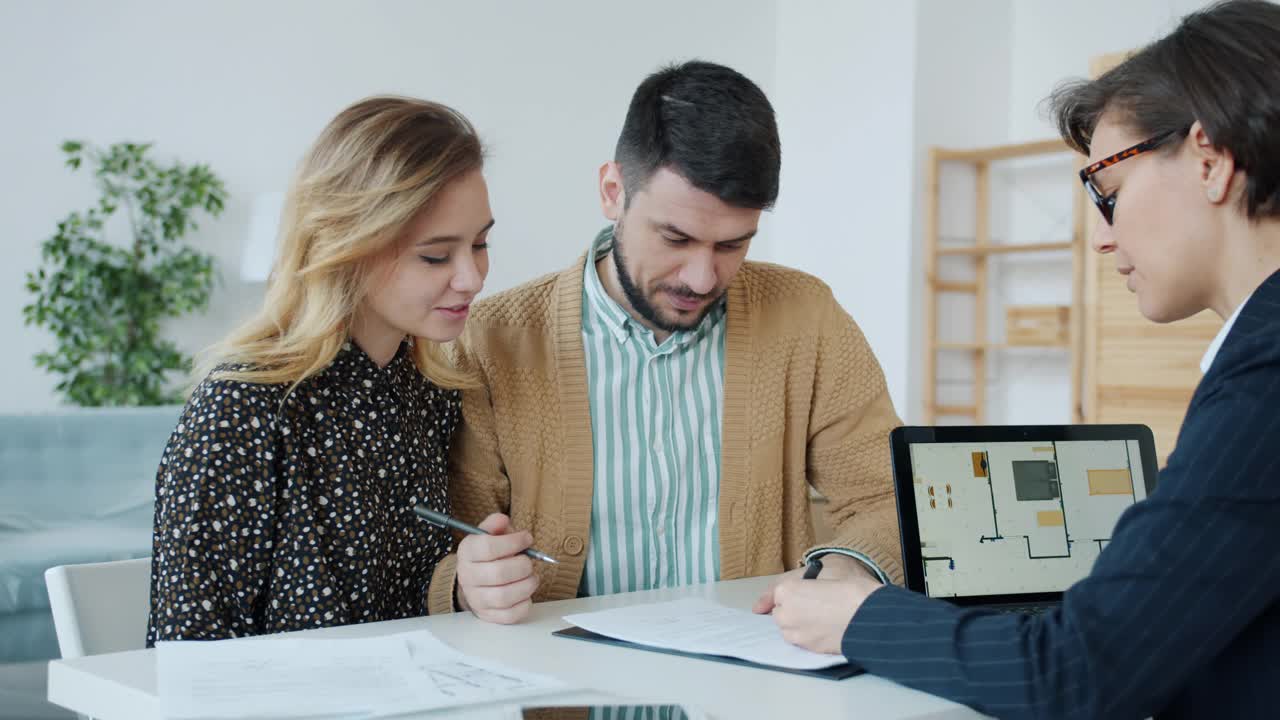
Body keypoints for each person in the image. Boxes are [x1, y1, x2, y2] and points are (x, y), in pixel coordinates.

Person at [759, 2, 1280, 717]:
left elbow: (1072, 674)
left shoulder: (1266, 379)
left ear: (1210, 159)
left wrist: (858, 618)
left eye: (1108, 192)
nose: (1101, 239)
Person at [426, 60, 904, 624]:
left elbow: (888, 496)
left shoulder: (807, 317)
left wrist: (849, 566)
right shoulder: (490, 340)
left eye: (732, 245)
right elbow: (451, 542)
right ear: (613, 192)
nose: (702, 277)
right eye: (675, 237)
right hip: (566, 700)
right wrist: (468, 582)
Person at [145, 96, 493, 644]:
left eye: (480, 243)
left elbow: (410, 605)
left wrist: (467, 586)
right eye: (436, 256)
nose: (472, 278)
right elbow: (189, 657)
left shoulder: (432, 396)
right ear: (348, 245)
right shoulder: (242, 410)